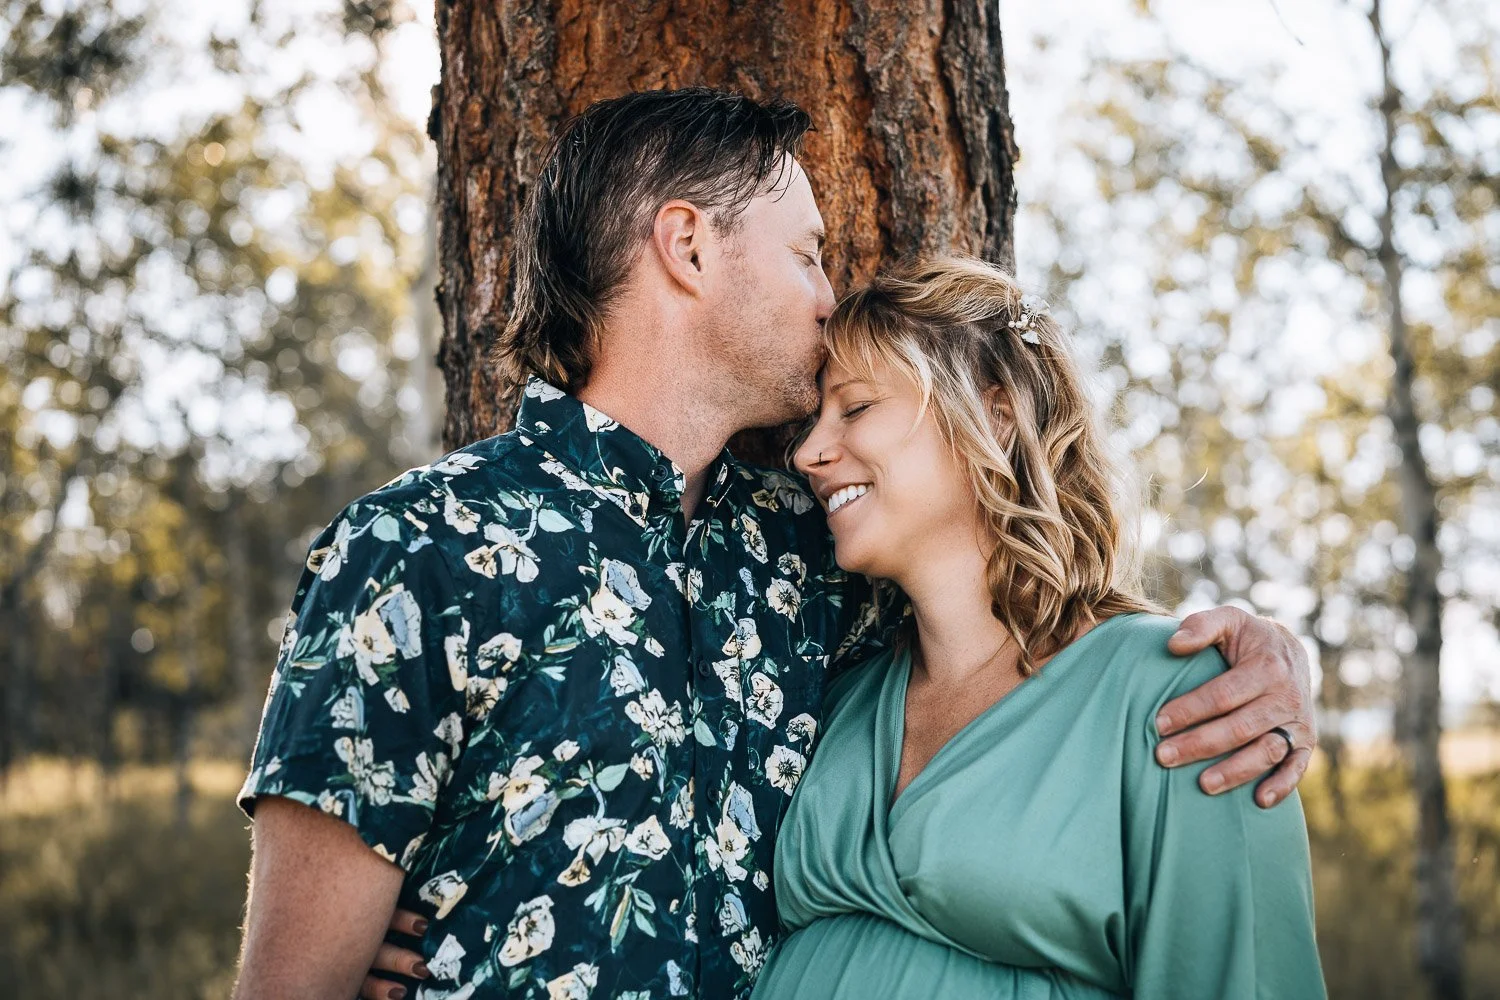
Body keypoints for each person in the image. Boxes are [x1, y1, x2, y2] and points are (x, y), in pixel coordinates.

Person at [231, 89, 1318, 1000]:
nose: (827, 295)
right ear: (689, 244)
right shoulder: (421, 549)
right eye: (807, 253)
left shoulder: (806, 555)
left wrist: (1270, 654)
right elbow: (293, 981)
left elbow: (1025, 627)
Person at [747, 255, 1325, 999]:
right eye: (813, 421)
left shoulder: (1184, 696)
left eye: (855, 408)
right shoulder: (844, 692)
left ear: (993, 413)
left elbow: (1241, 976)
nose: (807, 453)